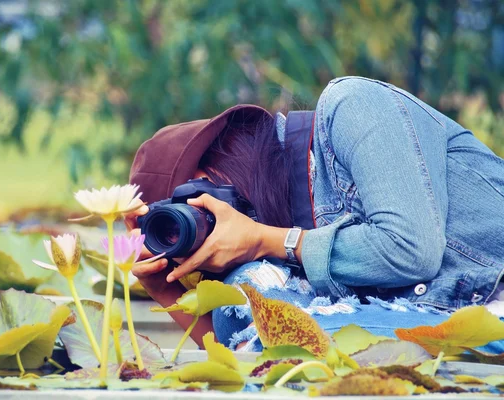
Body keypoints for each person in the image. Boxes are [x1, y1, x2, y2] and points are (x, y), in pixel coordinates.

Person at [124, 76, 504, 352]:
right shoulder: (274, 260)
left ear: (231, 154)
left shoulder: (352, 105)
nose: (205, 220)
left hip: (487, 303)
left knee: (271, 328)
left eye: (197, 197)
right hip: (455, 329)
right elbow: (231, 352)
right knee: (246, 308)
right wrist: (165, 289)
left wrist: (264, 238)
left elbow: (410, 250)